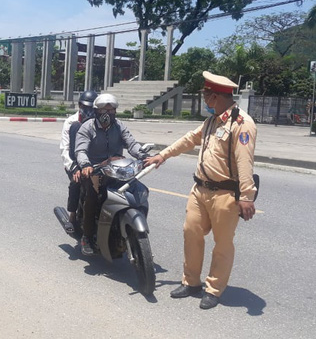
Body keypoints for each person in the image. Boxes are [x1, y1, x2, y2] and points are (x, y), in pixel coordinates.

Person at [144, 71, 257, 310]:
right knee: (191, 232)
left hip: (226, 194)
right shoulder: (212, 121)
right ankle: (191, 282)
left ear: (214, 96)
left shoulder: (241, 124)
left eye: (206, 95)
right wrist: (162, 155)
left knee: (223, 243)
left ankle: (214, 289)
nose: (204, 99)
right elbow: (189, 139)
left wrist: (246, 196)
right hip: (200, 189)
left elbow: (245, 162)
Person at [75, 93, 146, 256]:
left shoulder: (119, 126)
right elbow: (80, 150)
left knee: (138, 190)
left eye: (112, 110)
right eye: (104, 110)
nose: (108, 113)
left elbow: (132, 144)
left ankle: (133, 230)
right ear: (96, 111)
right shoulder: (87, 127)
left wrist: (143, 155)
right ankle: (86, 236)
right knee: (92, 197)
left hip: (117, 169)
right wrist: (85, 165)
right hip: (95, 170)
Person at [59, 90, 98, 234]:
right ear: (80, 105)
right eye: (85, 106)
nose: (88, 110)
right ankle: (73, 215)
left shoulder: (98, 121)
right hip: (74, 162)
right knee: (77, 181)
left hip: (93, 162)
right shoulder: (71, 123)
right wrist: (74, 167)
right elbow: (65, 148)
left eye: (92, 108)